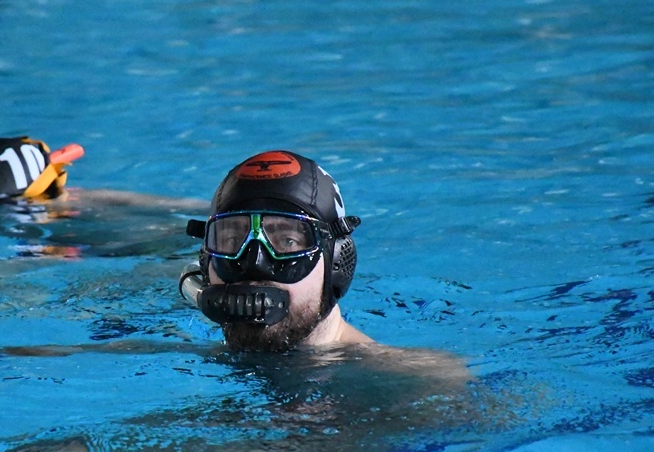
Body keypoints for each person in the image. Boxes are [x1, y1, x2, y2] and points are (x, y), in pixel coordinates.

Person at [180, 150, 469, 380]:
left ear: (337, 262)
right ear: (206, 264)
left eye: (288, 241)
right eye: (231, 239)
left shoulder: (417, 379)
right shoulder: (178, 355)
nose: (255, 262)